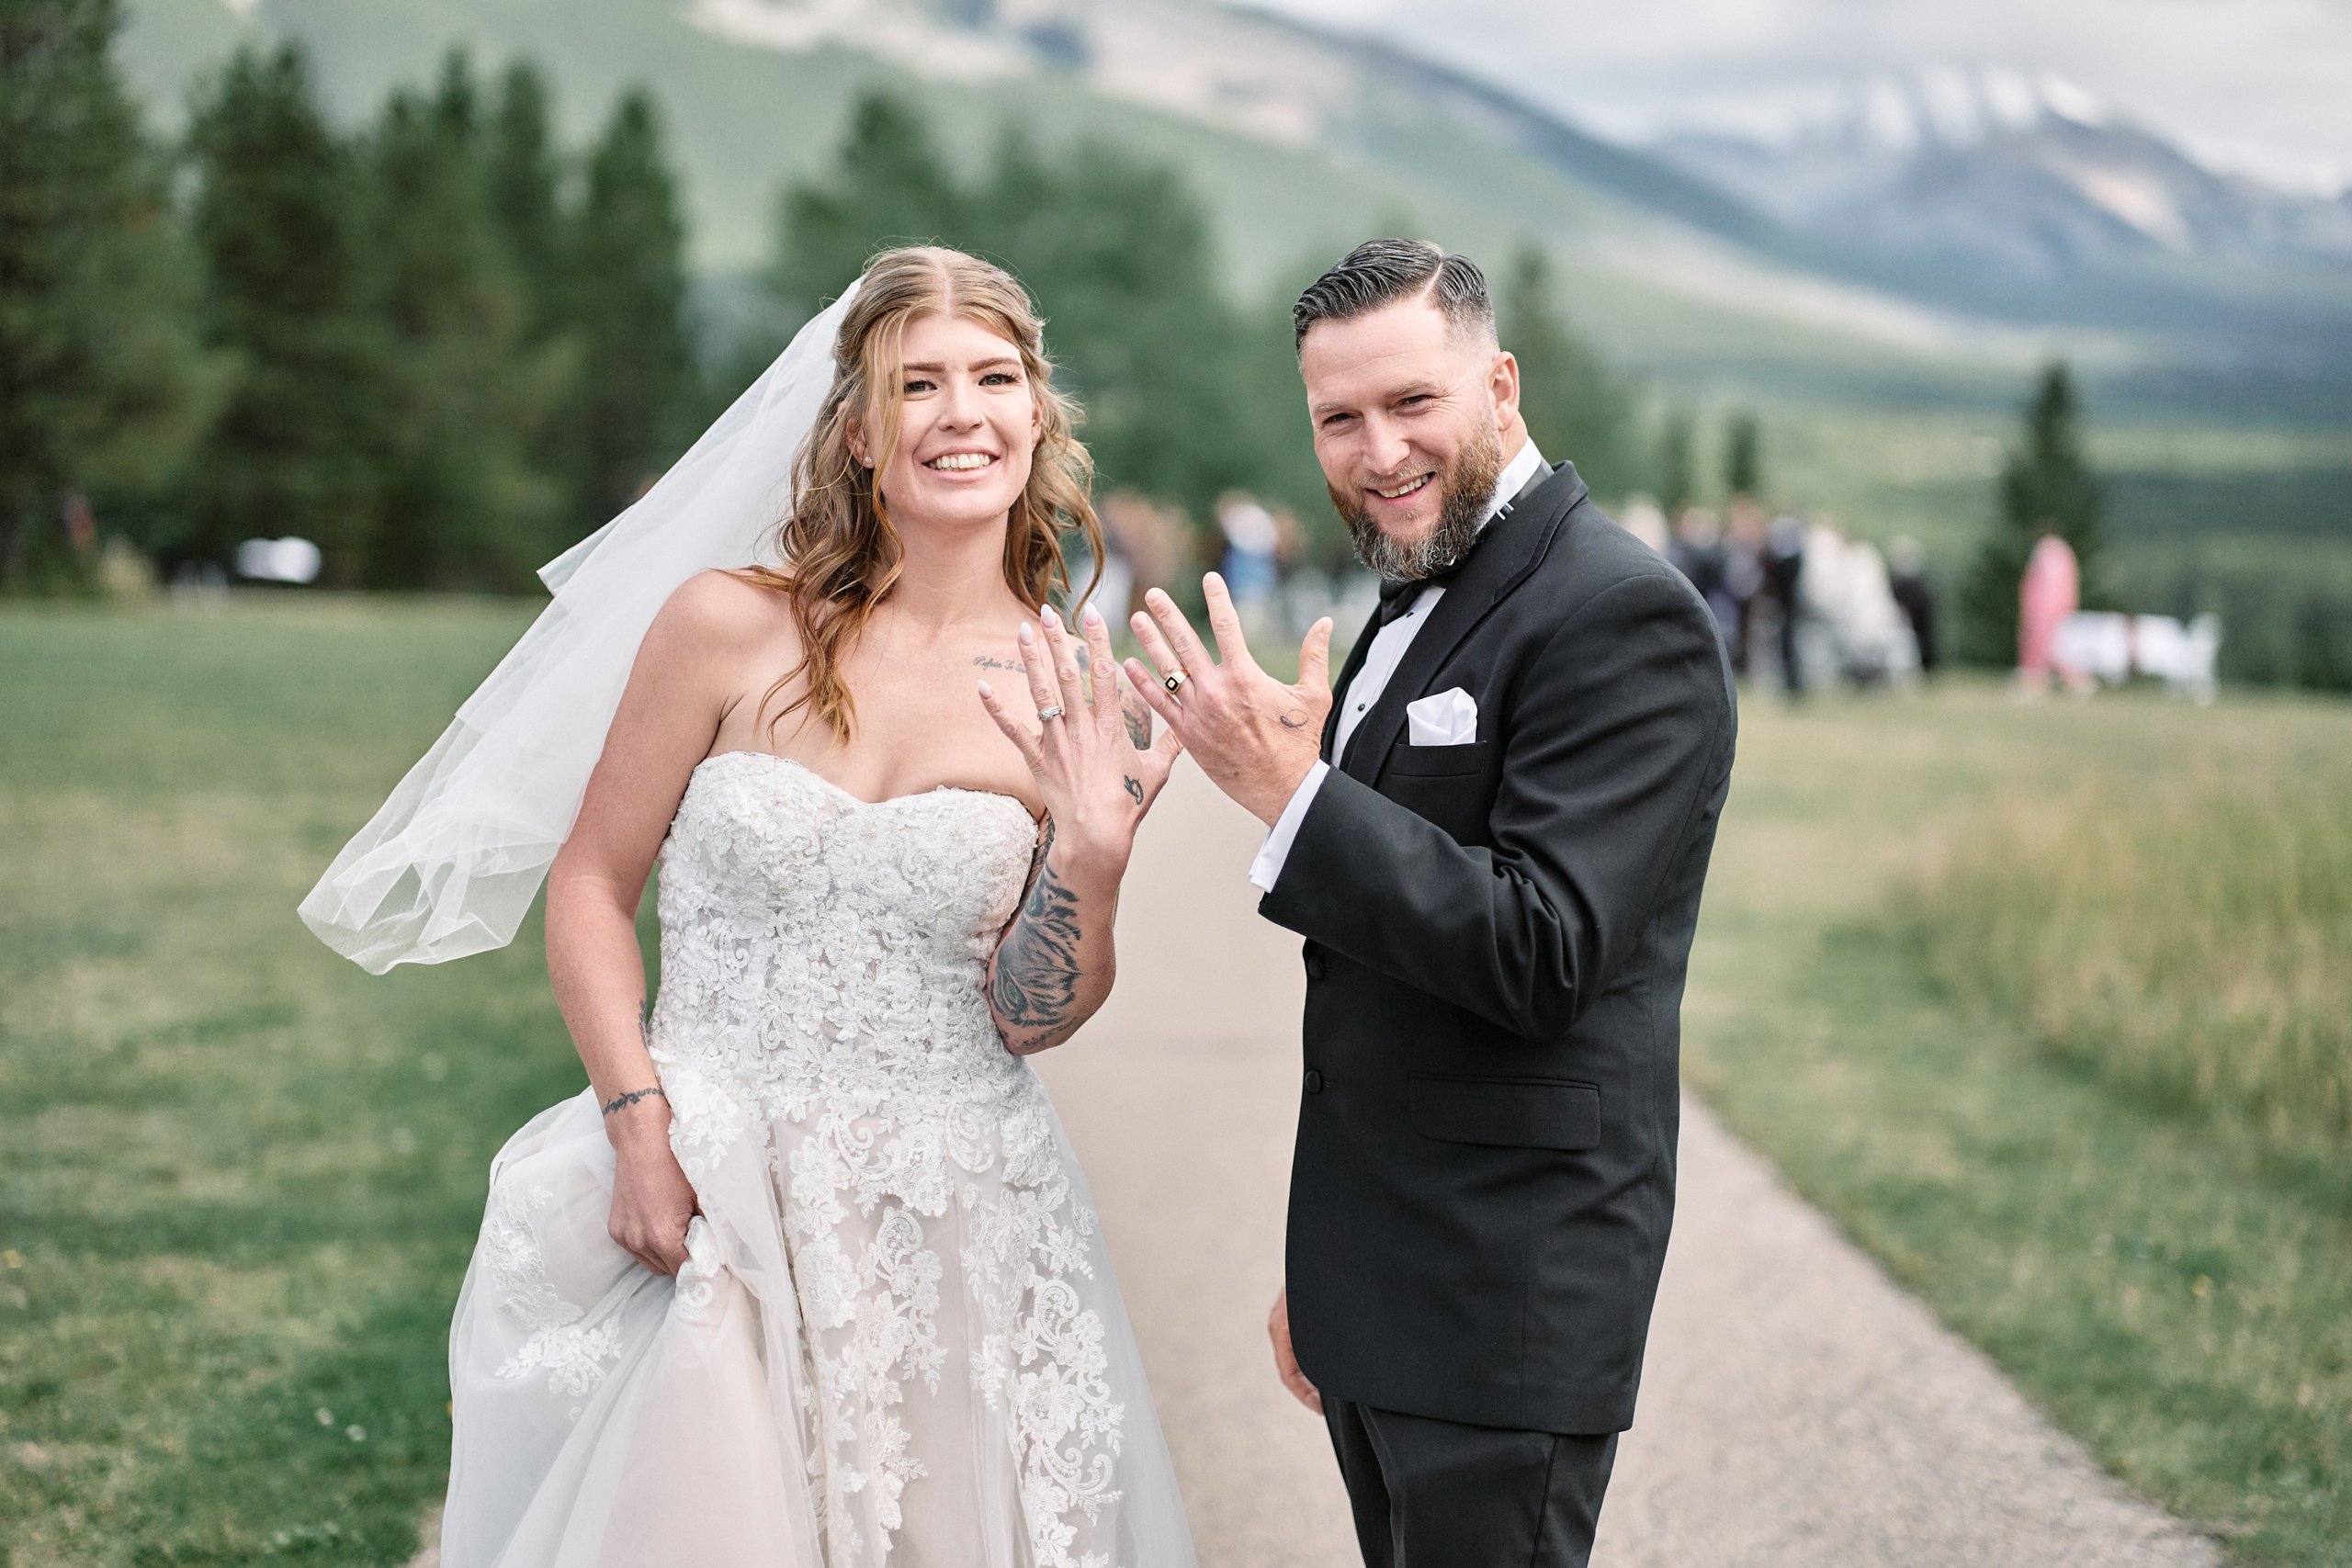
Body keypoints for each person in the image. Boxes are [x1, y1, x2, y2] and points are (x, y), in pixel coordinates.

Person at [300, 248, 1197, 1567]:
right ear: (855, 429)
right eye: (919, 384)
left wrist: (1096, 860)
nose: (963, 415)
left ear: (1038, 415)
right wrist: (638, 1123)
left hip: (952, 1220)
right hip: (715, 1194)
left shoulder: (1070, 691)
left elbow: (1028, 1014)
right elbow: (595, 883)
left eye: (996, 379)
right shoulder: (724, 628)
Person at [1122, 240, 1737, 1568]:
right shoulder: (1417, 597)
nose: (1377, 451)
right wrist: (1338, 1271)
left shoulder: (1621, 614)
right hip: (1395, 1276)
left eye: (1414, 404)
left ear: (1501, 385)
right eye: (1338, 419)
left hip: (1508, 1294)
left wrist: (1295, 795)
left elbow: (1542, 949)